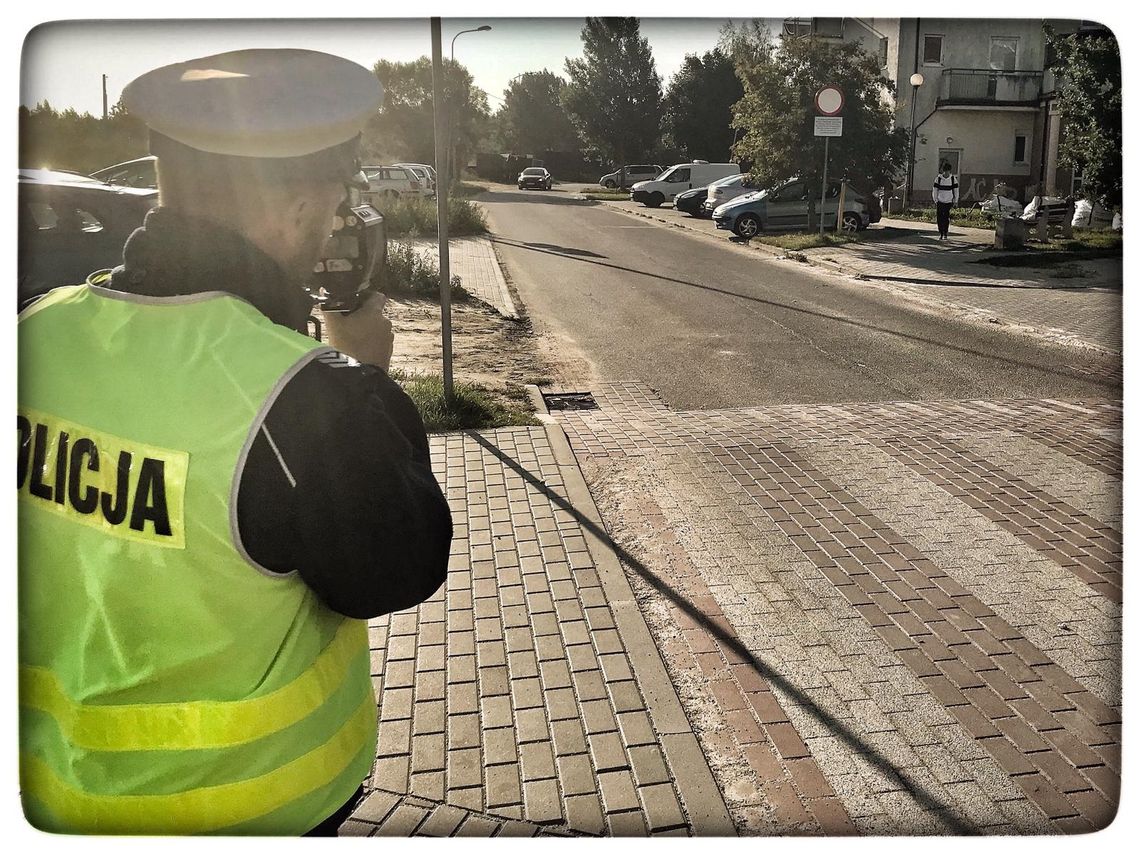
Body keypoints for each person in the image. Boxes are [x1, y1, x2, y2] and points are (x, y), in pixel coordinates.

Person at [17, 49, 453, 836]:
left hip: (46, 795)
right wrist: (367, 378)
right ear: (294, 207)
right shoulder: (314, 401)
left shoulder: (33, 333)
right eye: (330, 207)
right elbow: (394, 572)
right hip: (249, 810)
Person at [932, 161, 959, 240]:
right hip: (940, 201)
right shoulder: (938, 179)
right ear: (943, 171)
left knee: (946, 218)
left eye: (948, 171)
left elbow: (956, 191)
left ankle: (945, 233)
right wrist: (935, 200)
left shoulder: (953, 179)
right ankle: (941, 233)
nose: (946, 173)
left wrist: (955, 201)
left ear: (950, 171)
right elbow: (935, 190)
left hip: (948, 201)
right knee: (939, 218)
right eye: (945, 171)